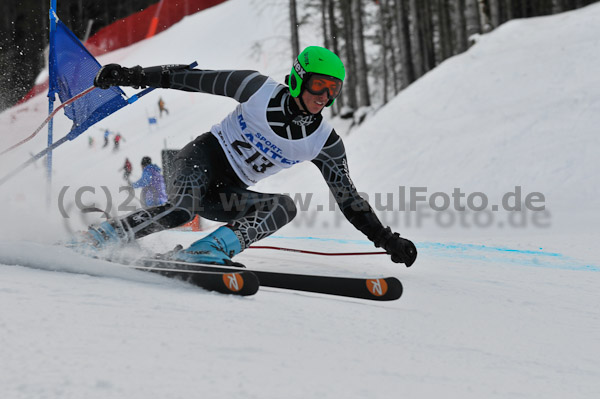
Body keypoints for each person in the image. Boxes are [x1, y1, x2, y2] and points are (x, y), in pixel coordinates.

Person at [82, 46, 417, 266]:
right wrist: (133, 74)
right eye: (319, 86)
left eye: (333, 90)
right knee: (181, 210)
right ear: (299, 80)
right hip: (201, 158)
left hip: (226, 193)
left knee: (283, 207)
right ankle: (101, 237)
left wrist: (387, 240)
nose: (324, 97)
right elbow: (191, 79)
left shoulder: (324, 142)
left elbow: (349, 200)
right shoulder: (257, 89)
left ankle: (207, 252)